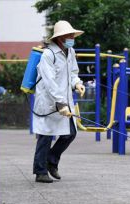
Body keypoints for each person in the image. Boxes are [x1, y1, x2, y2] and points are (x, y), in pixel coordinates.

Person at [32, 20, 86, 183]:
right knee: (45, 136)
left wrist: (77, 83)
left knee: (71, 133)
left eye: (72, 35)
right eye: (69, 35)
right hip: (48, 101)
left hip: (64, 99)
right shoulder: (48, 55)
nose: (72, 38)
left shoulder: (70, 52)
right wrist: (60, 103)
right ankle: (40, 171)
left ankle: (51, 161)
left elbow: (73, 73)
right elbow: (50, 82)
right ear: (60, 37)